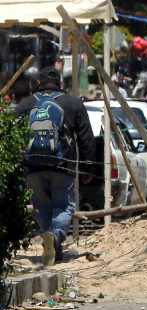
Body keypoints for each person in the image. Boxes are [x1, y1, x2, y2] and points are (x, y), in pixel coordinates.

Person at [14, 68, 95, 266]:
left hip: (33, 167)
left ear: (38, 84)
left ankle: (53, 252)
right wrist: (88, 168)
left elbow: (14, 136)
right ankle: (56, 236)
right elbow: (86, 138)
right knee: (65, 207)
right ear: (60, 83)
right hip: (63, 165)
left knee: (42, 208)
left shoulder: (26, 104)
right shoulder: (73, 103)